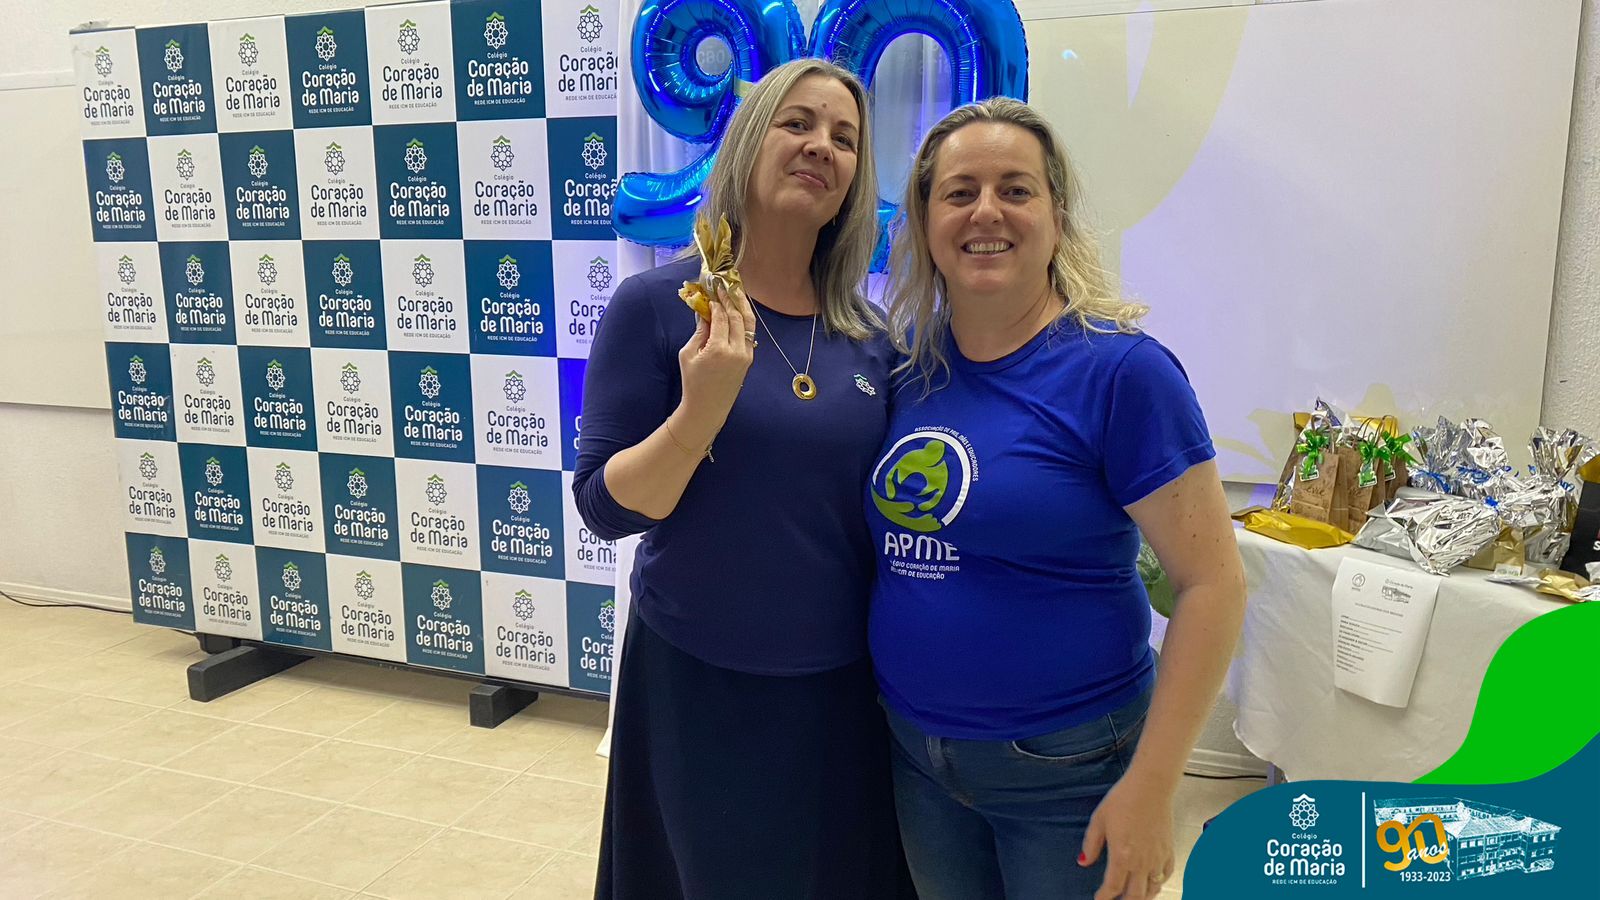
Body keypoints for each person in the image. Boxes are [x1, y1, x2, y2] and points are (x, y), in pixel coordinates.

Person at [868, 97, 1248, 900]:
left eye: (1016, 189)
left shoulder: (1124, 373)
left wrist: (1152, 786)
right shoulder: (905, 368)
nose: (986, 212)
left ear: (1057, 217)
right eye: (960, 192)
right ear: (926, 224)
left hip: (1071, 770)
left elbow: (1213, 587)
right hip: (917, 759)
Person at [573, 58, 908, 899]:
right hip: (697, 681)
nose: (821, 145)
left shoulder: (872, 339)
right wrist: (700, 411)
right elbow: (605, 509)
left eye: (844, 138)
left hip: (838, 691)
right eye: (798, 123)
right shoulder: (659, 308)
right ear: (750, 144)